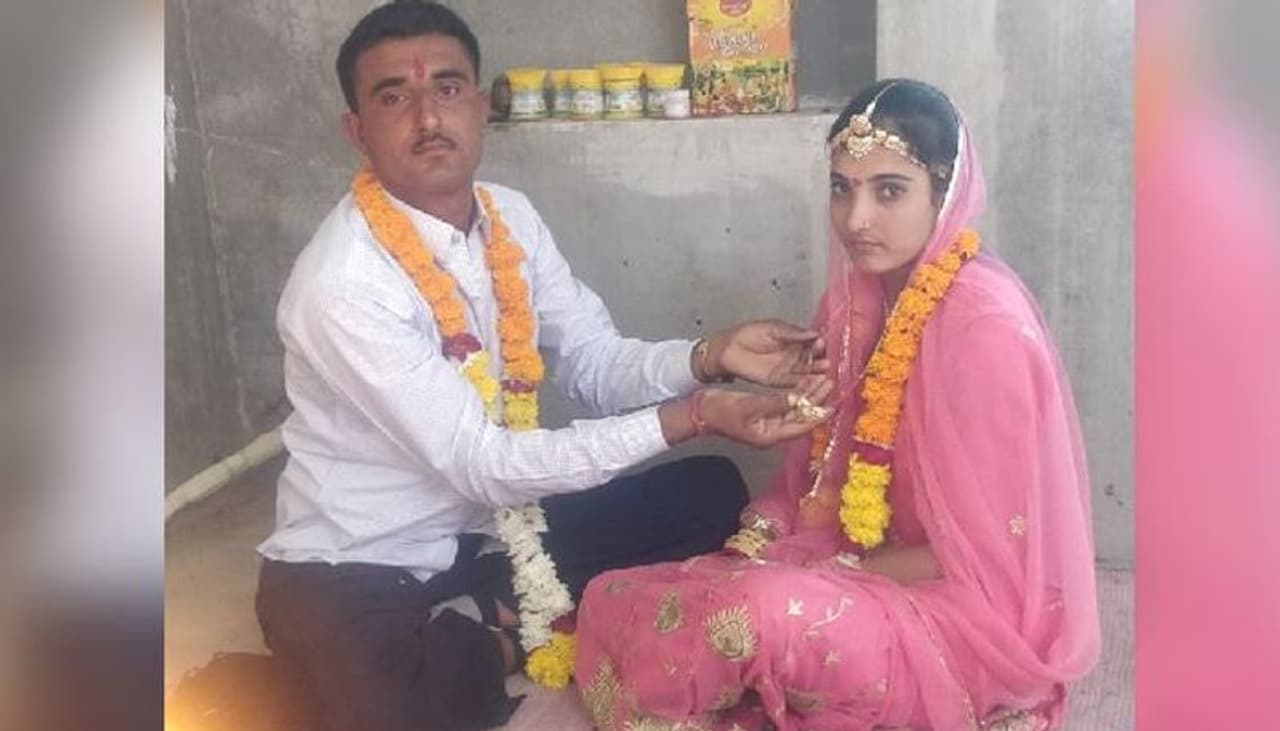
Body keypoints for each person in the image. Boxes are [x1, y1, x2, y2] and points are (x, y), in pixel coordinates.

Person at [252, 3, 832, 731]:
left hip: (493, 533)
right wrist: (693, 415)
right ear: (356, 130)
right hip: (359, 561)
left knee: (709, 491)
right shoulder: (342, 283)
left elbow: (596, 364)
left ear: (481, 106)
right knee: (387, 706)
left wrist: (708, 355)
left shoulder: (511, 219)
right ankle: (517, 627)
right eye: (394, 97)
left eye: (447, 88)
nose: (428, 117)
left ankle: (495, 613)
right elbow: (484, 463)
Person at [573, 78, 1102, 731]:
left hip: (959, 606)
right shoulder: (852, 305)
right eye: (841, 188)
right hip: (853, 554)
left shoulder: (985, 330)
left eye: (889, 191)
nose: (856, 219)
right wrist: (777, 537)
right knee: (615, 590)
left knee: (755, 612)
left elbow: (981, 556)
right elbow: (818, 482)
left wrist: (828, 573)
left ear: (945, 193)